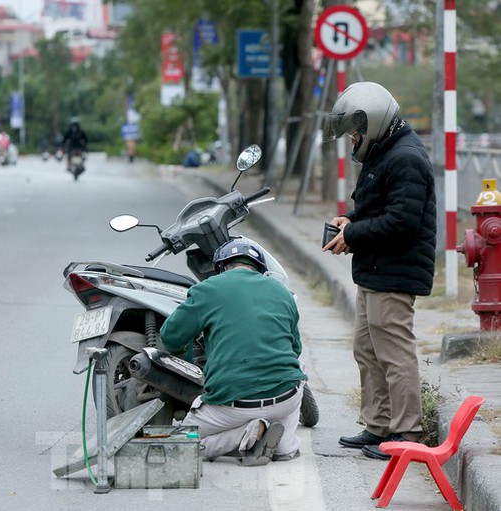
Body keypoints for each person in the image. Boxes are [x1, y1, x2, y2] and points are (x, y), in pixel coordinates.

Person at [321, 81, 437, 460]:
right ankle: (378, 427)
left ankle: (407, 435)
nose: (353, 137)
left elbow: (402, 221)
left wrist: (354, 232)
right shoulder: (385, 151)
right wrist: (349, 220)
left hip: (395, 272)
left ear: (373, 121)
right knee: (367, 351)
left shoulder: (405, 157)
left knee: (394, 354)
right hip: (375, 269)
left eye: (356, 129)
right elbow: (378, 207)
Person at [160, 238, 307, 466]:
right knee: (298, 372)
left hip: (233, 406)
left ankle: (245, 435)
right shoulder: (282, 292)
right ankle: (285, 446)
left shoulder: (208, 289)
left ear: (221, 267)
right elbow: (295, 348)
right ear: (259, 268)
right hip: (286, 397)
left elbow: (170, 337)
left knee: (179, 443)